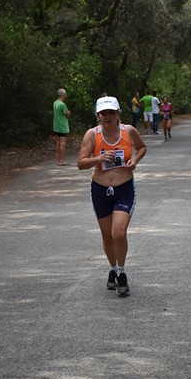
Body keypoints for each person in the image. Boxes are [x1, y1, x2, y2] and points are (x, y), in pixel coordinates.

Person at [77, 96, 146, 296]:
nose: (107, 117)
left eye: (111, 112)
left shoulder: (128, 131)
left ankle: (122, 273)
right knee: (107, 236)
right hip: (100, 191)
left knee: (119, 232)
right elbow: (81, 163)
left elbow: (142, 147)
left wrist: (135, 160)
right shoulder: (92, 135)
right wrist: (98, 158)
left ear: (118, 114)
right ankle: (113, 270)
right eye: (103, 113)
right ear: (98, 115)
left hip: (124, 188)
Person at [53, 88, 71, 165]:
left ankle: (58, 160)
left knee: (58, 142)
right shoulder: (62, 104)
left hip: (56, 125)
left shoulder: (55, 103)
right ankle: (62, 160)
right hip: (62, 126)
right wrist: (69, 112)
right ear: (63, 95)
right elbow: (67, 114)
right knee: (62, 143)